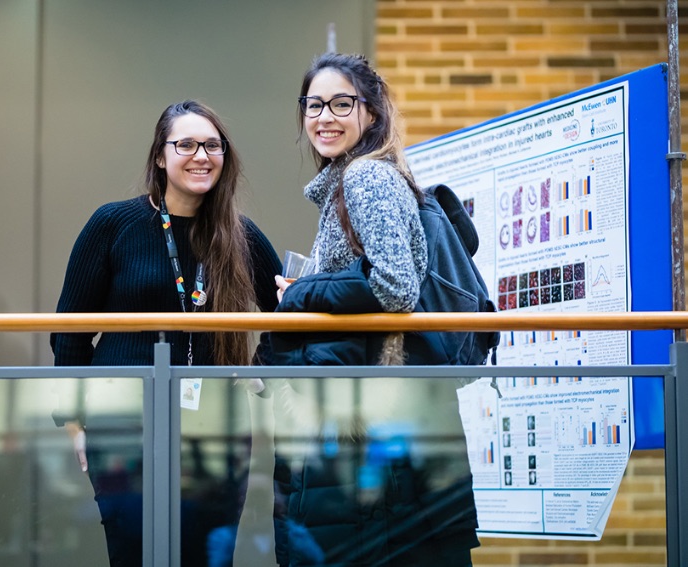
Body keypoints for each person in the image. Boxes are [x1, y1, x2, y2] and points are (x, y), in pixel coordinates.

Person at [259, 53, 479, 566]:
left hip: (372, 420)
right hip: (380, 416)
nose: (324, 117)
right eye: (314, 105)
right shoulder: (357, 180)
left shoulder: (365, 177)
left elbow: (395, 285)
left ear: (371, 112)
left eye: (341, 104)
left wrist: (302, 294)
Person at [50, 99, 282, 566]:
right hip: (123, 426)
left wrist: (257, 371)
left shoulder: (240, 235)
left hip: (217, 431)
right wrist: (74, 422)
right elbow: (70, 333)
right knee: (133, 551)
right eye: (186, 145)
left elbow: (287, 319)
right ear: (160, 156)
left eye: (212, 145)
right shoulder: (113, 225)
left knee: (207, 555)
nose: (201, 156)